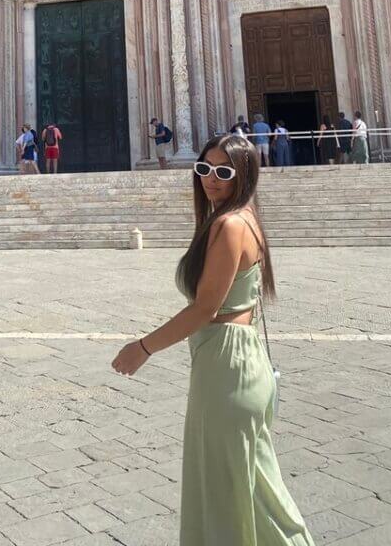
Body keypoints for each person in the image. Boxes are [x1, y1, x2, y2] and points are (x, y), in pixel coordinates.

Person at [112, 134, 315, 546]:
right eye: (204, 168)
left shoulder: (228, 224)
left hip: (227, 370)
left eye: (224, 172)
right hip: (239, 361)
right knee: (254, 491)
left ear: (244, 175)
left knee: (226, 492)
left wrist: (143, 348)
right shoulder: (244, 219)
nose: (211, 179)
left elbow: (205, 308)